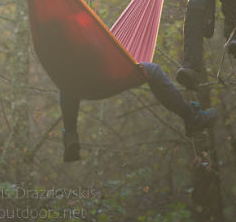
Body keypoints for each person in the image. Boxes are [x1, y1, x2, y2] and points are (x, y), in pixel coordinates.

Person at [60, 62, 217, 162]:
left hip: (78, 80)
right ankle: (193, 118)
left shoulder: (53, 43)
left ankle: (70, 135)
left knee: (66, 78)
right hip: (101, 75)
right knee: (152, 71)